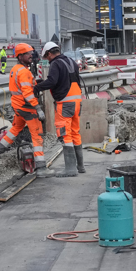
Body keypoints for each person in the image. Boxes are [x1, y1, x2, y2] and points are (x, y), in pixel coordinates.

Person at [0, 43, 45, 171]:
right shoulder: (24, 72)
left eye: (31, 53)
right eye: (27, 54)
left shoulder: (15, 69)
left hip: (18, 107)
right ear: (20, 56)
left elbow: (21, 88)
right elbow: (27, 93)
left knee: (15, 129)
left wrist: (36, 84)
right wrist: (38, 108)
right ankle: (42, 168)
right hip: (28, 108)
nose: (31, 55)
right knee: (37, 136)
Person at [34, 41, 84, 177]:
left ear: (49, 53)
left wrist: (37, 88)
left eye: (46, 56)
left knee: (64, 133)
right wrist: (42, 83)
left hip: (65, 103)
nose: (47, 59)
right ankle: (80, 166)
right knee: (75, 132)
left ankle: (70, 169)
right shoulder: (70, 61)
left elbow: (53, 81)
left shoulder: (55, 63)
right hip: (77, 101)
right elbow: (65, 79)